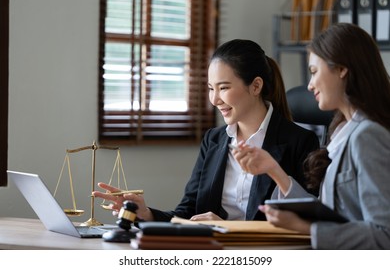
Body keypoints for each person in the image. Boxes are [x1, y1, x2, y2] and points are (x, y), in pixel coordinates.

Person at [93, 39, 319, 222]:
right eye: (211, 88)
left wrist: (228, 231)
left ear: (256, 86)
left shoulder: (300, 142)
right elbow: (187, 213)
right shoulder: (214, 140)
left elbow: (305, 222)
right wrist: (147, 214)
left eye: (224, 88)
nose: (215, 99)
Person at [233, 23, 390, 249]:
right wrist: (273, 169)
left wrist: (307, 228)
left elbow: (384, 237)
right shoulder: (342, 132)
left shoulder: (368, 135)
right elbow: (331, 214)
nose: (309, 85)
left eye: (314, 72)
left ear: (341, 69)